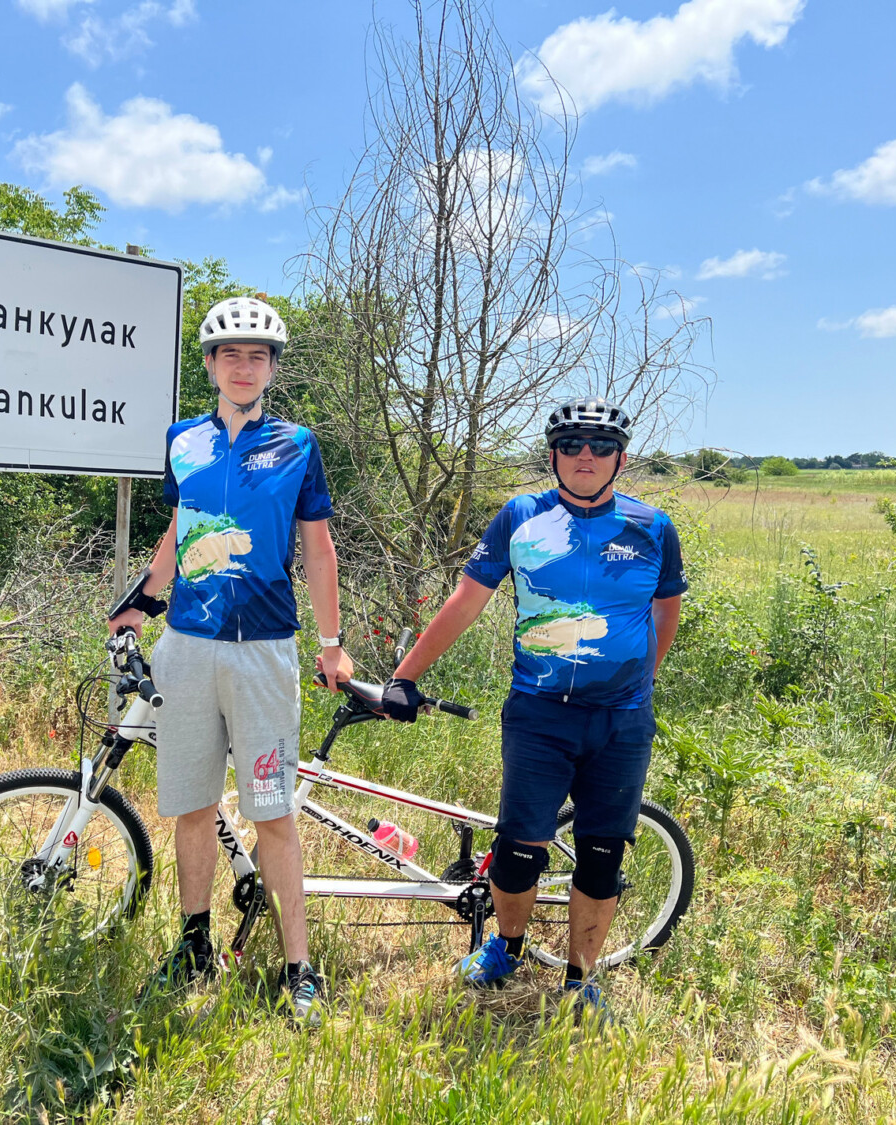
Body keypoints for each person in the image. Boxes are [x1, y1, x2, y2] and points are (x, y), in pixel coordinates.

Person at [380, 396, 685, 1014]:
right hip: (539, 712)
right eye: (572, 445)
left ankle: (580, 979)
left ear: (620, 459)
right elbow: (465, 601)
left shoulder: (653, 527)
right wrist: (404, 676)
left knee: (602, 857)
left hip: (622, 721)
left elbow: (665, 613)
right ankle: (508, 947)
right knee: (519, 851)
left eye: (600, 447)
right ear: (553, 454)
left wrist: (637, 686)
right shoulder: (520, 516)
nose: (586, 457)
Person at [107, 295, 353, 1026]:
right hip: (186, 645)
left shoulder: (298, 444)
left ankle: (298, 966)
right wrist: (142, 601)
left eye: (258, 356)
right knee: (190, 804)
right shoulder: (182, 439)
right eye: (230, 355)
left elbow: (317, 548)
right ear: (210, 364)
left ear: (273, 368)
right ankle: (192, 944)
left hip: (265, 649)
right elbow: (179, 531)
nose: (244, 367)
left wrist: (331, 644)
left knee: (272, 812)